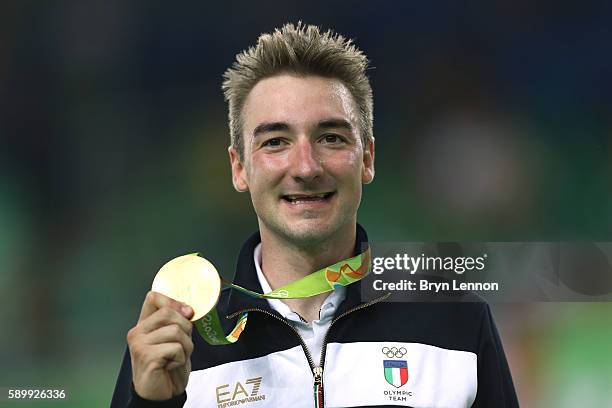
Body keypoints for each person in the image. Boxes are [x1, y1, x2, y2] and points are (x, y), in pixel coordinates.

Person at [111, 22, 518, 407]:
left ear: (367, 159)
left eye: (331, 137)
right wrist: (150, 404)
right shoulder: (179, 345)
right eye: (275, 141)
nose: (306, 167)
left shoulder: (455, 319)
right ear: (239, 168)